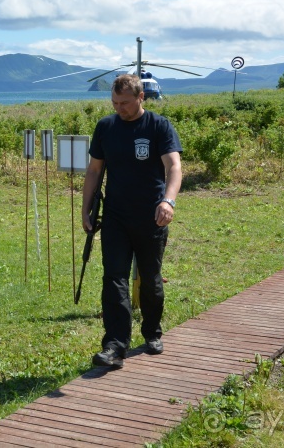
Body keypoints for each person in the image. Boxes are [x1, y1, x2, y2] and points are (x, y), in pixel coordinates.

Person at [82, 74, 182, 368]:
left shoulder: (158, 126)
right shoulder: (106, 127)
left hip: (151, 216)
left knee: (150, 278)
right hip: (115, 216)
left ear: (141, 98)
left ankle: (152, 331)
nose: (119, 108)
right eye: (114, 102)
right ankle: (115, 345)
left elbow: (174, 166)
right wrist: (85, 209)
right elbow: (94, 171)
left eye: (124, 103)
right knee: (113, 278)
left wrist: (168, 200)